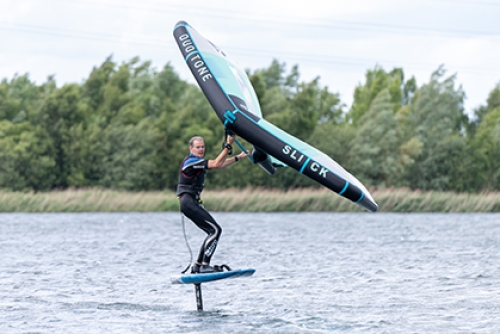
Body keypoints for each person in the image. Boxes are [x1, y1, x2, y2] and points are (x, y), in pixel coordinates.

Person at [177, 133, 249, 273]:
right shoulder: (190, 162)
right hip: (188, 202)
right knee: (216, 230)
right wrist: (228, 145)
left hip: (191, 202)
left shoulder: (197, 162)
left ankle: (198, 265)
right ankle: (204, 265)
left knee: (211, 231)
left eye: (203, 147)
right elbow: (216, 164)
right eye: (198, 147)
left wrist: (237, 158)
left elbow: (219, 164)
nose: (201, 149)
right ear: (190, 149)